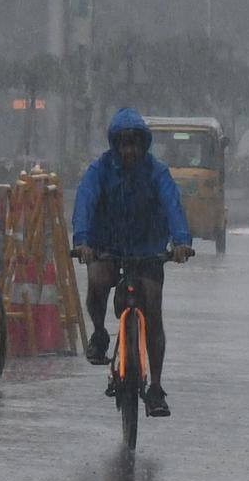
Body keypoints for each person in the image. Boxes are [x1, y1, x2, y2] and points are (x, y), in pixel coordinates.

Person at [72, 107, 193, 418]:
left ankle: (156, 387)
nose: (129, 151)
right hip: (106, 244)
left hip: (147, 247)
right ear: (115, 145)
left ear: (144, 145)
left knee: (152, 308)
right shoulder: (99, 170)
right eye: (123, 144)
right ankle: (99, 333)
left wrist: (181, 243)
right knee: (98, 281)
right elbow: (84, 201)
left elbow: (172, 206)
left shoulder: (157, 172)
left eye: (135, 144)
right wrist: (82, 241)